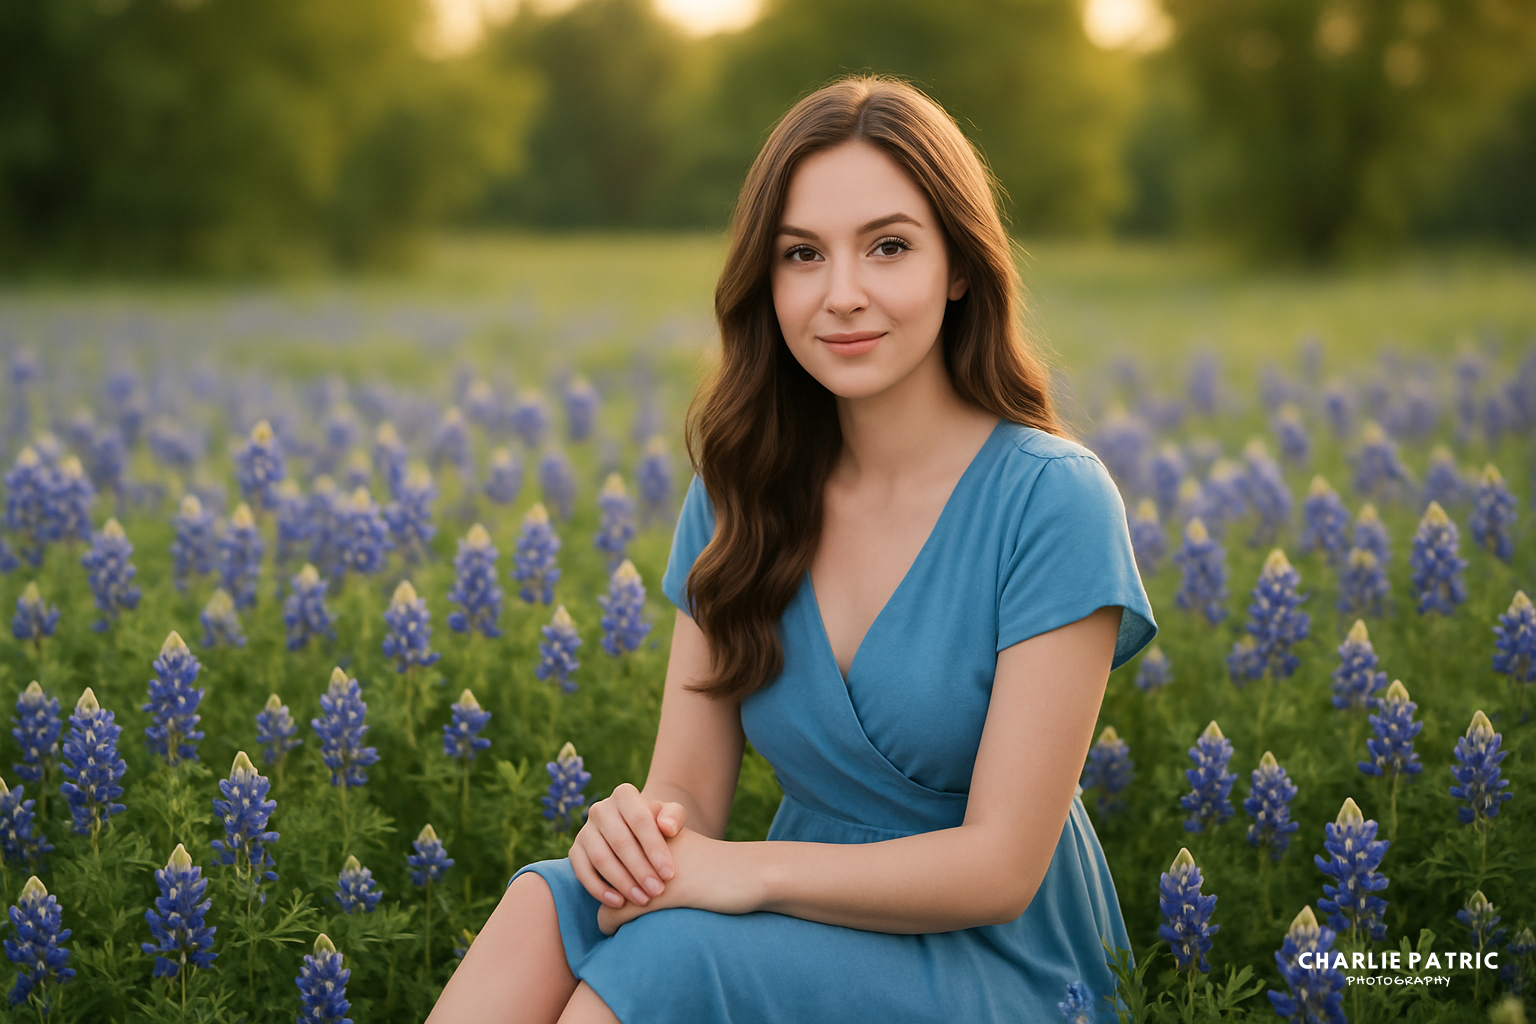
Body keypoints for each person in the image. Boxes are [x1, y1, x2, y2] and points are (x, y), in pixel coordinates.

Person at [428, 73, 1157, 1024]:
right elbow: (685, 787)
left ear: (961, 266)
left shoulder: (1051, 500)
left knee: (673, 960)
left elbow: (999, 869)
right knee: (552, 899)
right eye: (802, 254)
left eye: (889, 247)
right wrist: (635, 837)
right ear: (765, 280)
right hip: (799, 920)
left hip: (999, 962)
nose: (841, 295)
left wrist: (739, 874)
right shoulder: (739, 494)